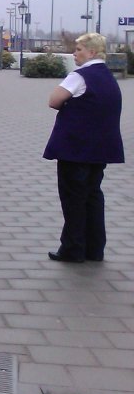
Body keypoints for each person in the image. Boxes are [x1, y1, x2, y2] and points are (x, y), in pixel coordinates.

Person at [43, 33, 124, 263]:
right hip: (100, 150)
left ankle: (73, 249)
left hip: (75, 149)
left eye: (78, 49)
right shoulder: (109, 78)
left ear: (91, 52)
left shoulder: (79, 76)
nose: (74, 53)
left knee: (73, 199)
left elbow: (54, 100)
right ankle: (95, 249)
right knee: (93, 197)